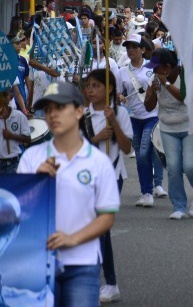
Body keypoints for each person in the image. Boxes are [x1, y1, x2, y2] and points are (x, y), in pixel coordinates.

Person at [17, 82, 119, 306]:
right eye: (48, 109)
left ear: (79, 111)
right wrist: (36, 181)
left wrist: (73, 239)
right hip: (37, 261)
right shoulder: (31, 158)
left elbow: (106, 216)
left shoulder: (98, 162)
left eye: (60, 107)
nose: (53, 115)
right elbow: (17, 212)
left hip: (82, 263)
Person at [82, 69, 133, 304]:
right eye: (88, 86)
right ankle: (102, 281)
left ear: (110, 88)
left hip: (112, 176)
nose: (91, 90)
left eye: (96, 86)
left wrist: (113, 121)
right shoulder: (82, 115)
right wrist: (95, 138)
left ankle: (103, 281)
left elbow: (126, 148)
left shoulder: (120, 113)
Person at [144, 49, 193, 220]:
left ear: (167, 67)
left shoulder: (188, 75)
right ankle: (178, 205)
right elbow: (148, 107)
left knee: (191, 166)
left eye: (156, 67)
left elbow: (186, 98)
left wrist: (165, 84)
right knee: (173, 168)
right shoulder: (155, 79)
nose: (154, 71)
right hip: (168, 128)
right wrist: (153, 91)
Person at [118, 34, 167, 207]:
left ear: (142, 49)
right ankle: (146, 192)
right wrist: (119, 96)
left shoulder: (152, 67)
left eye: (134, 47)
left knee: (145, 151)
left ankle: (156, 186)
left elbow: (163, 82)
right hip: (133, 118)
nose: (130, 50)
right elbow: (117, 92)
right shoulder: (122, 71)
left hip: (152, 116)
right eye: (128, 47)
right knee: (140, 156)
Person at [0, 88, 31, 174]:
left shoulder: (19, 116)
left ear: (11, 97)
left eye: (4, 95)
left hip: (13, 163)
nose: (1, 98)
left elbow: (28, 139)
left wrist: (12, 136)